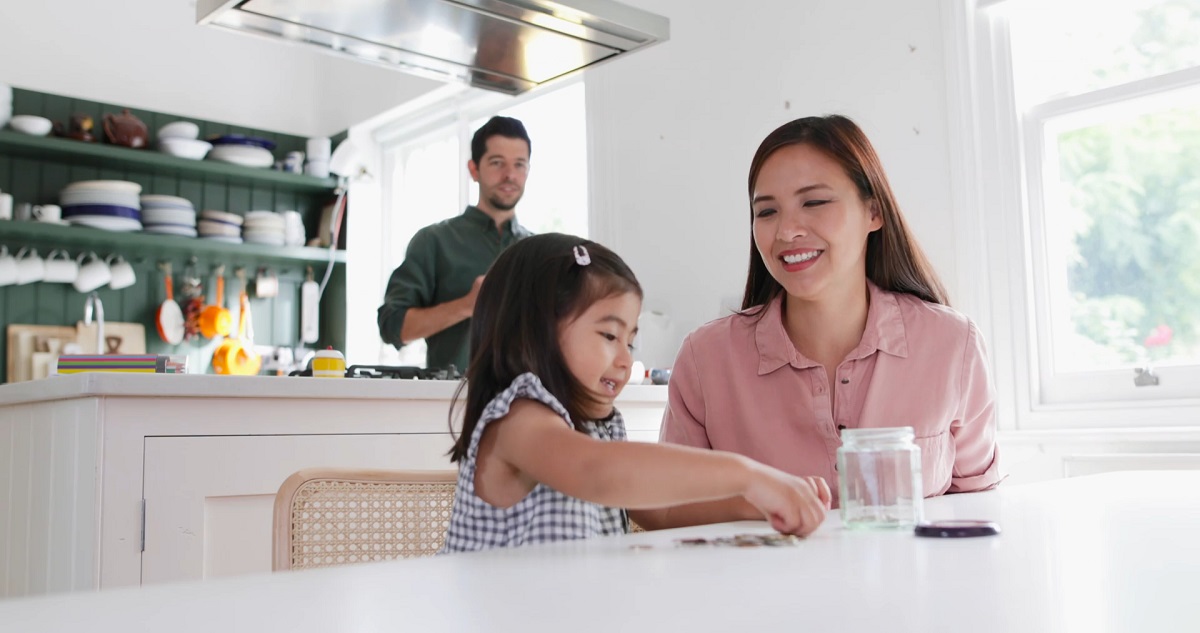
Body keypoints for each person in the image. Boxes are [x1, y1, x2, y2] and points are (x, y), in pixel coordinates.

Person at [657, 115, 1002, 520]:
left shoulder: (952, 343)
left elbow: (980, 505)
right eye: (766, 212)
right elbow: (667, 506)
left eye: (814, 202)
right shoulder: (706, 358)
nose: (787, 231)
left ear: (873, 211)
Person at [440, 233, 830, 553]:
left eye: (631, 341)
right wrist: (749, 475)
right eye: (610, 335)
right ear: (534, 330)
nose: (626, 360)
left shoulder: (597, 429)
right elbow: (597, 472)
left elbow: (658, 511)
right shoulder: (518, 420)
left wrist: (762, 504)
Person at [377, 115, 534, 372]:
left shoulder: (539, 253)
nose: (510, 175)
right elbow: (392, 326)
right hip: (453, 403)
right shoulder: (434, 241)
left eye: (519, 164)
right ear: (474, 170)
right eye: (497, 163)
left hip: (529, 405)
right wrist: (466, 305)